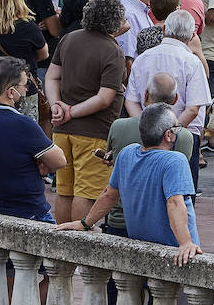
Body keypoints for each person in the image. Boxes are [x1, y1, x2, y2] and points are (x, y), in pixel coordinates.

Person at [57, 103, 201, 267]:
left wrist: (85, 223)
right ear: (168, 135)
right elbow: (174, 202)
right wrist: (185, 242)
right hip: (176, 254)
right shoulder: (175, 160)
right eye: (176, 128)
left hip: (141, 250)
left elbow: (109, 195)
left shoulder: (127, 153)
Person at [44, 0, 128, 223]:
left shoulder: (69, 39)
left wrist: (56, 107)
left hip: (62, 131)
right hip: (93, 132)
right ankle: (78, 243)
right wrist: (71, 111)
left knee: (64, 190)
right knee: (86, 192)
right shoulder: (112, 51)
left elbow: (51, 77)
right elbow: (104, 98)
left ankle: (62, 246)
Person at [0, 56, 66, 220]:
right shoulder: (22, 124)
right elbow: (60, 160)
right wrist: (42, 165)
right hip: (27, 212)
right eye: (24, 84)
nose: (27, 89)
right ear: (11, 92)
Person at [124, 9, 210, 181]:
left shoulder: (142, 58)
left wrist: (148, 128)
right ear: (192, 35)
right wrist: (171, 132)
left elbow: (131, 101)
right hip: (183, 135)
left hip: (146, 137)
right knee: (181, 193)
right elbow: (193, 109)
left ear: (163, 30)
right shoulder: (192, 62)